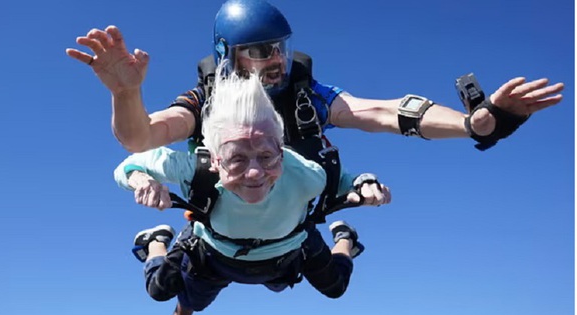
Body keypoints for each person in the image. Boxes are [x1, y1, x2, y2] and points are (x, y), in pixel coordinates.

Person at [66, 0, 563, 156]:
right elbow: (141, 138)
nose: (274, 62)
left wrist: (476, 124)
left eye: (278, 49)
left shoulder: (308, 96)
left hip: (290, 223)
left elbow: (388, 113)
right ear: (226, 58)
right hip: (222, 219)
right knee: (193, 282)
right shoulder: (206, 97)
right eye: (258, 52)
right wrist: (127, 94)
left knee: (321, 279)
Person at [113, 69, 392, 315]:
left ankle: (345, 239)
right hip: (214, 252)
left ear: (281, 152)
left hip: (288, 250)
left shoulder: (307, 173)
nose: (255, 173)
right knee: (162, 289)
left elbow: (341, 180)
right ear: (215, 160)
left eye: (267, 156)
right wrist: (141, 180)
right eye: (237, 159)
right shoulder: (193, 168)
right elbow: (128, 165)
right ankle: (156, 241)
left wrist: (365, 183)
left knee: (336, 286)